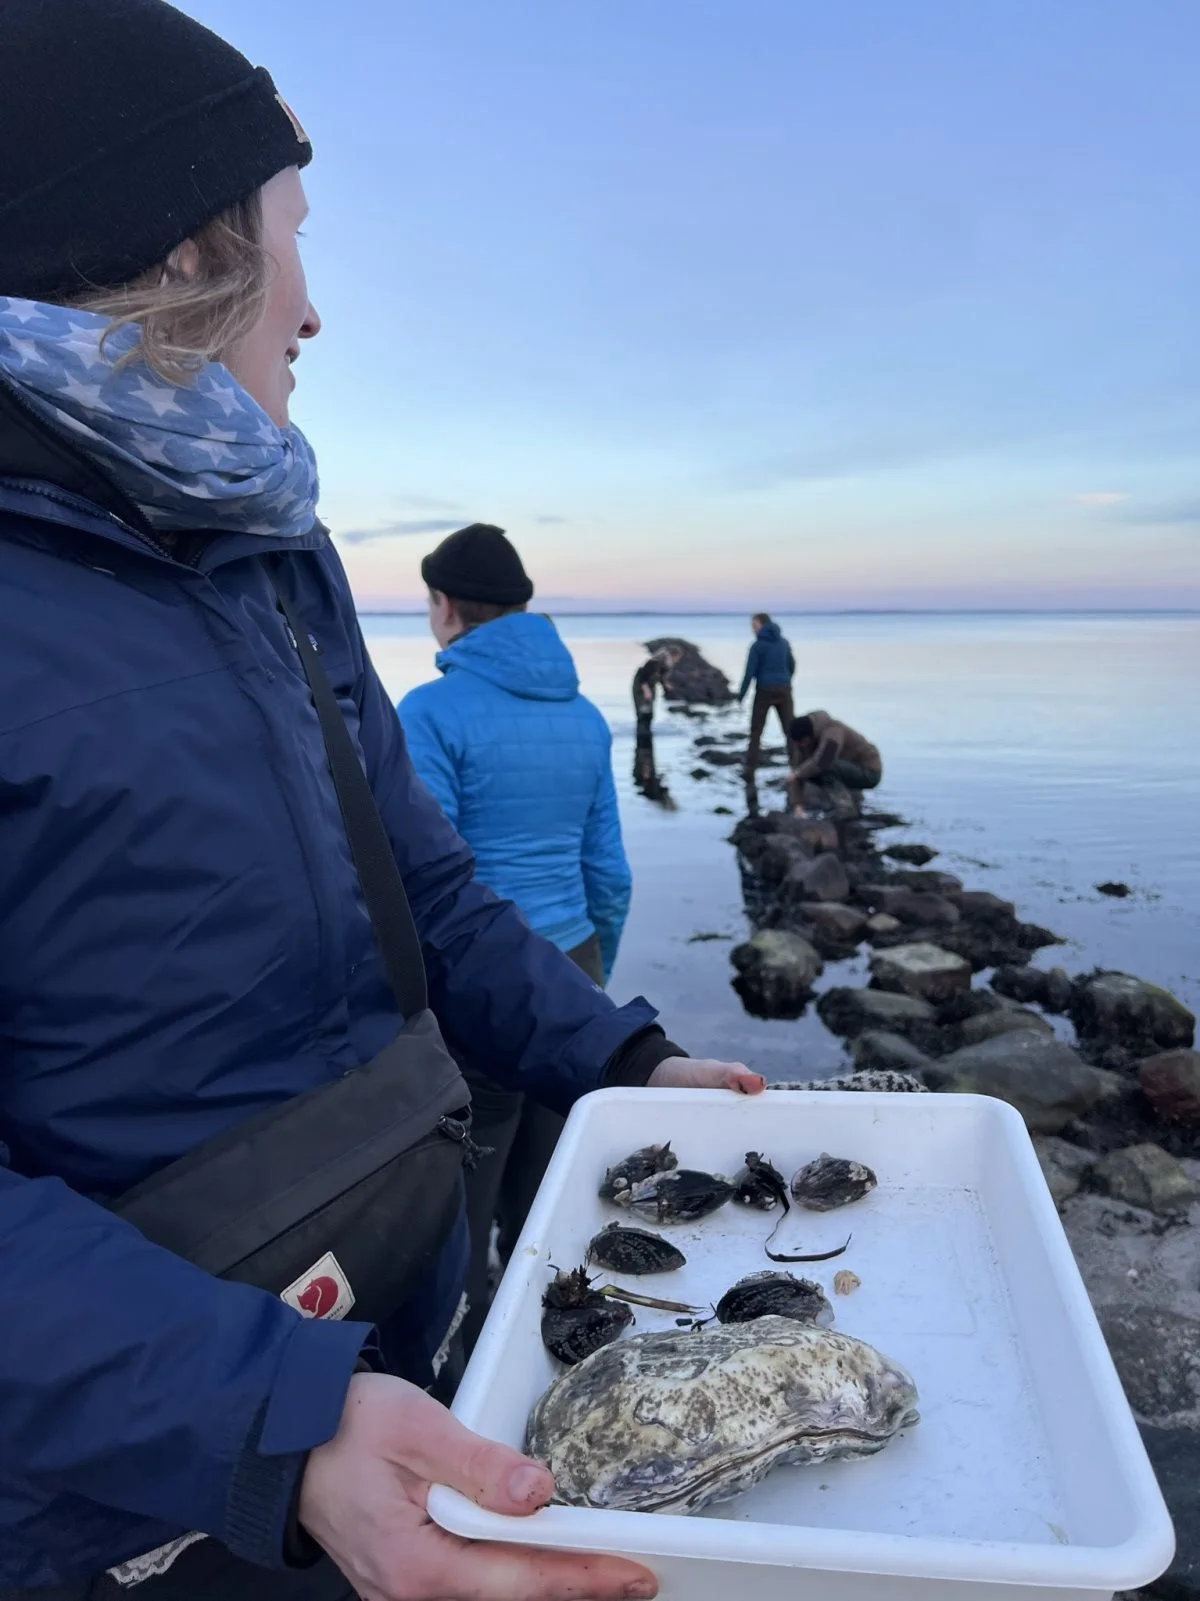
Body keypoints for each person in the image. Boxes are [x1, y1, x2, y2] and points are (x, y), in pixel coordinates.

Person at [0, 5, 766, 1599]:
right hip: (120, 1491)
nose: (318, 308)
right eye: (290, 239)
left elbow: (425, 891)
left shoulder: (271, 549)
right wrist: (269, 1421)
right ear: (179, 252)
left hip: (386, 1365)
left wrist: (625, 1057)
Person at [397, 523, 633, 1356]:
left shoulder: (426, 713)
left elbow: (425, 876)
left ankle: (456, 1368)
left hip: (481, 981)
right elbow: (608, 868)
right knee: (550, 1184)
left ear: (448, 608)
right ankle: (554, 1349)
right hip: (574, 965)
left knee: (460, 1188)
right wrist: (592, 978)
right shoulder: (585, 716)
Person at [737, 613, 796, 769]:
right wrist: (786, 680)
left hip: (765, 690)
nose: (752, 630)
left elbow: (749, 673)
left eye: (754, 626)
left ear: (762, 625)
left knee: (756, 731)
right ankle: (796, 765)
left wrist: (741, 696)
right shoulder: (784, 643)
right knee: (789, 730)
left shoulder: (757, 646)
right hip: (784, 689)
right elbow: (792, 665)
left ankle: (750, 769)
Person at [788, 710, 884, 802]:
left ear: (809, 737)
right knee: (807, 771)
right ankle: (850, 797)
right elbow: (796, 769)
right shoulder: (802, 741)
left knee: (824, 767)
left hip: (869, 771)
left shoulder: (833, 733)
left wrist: (798, 773)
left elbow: (823, 762)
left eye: (802, 742)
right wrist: (797, 803)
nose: (801, 746)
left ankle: (846, 807)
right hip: (847, 766)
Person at [632, 643, 681, 731]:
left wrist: (666, 684)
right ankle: (641, 732)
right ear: (673, 655)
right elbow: (643, 678)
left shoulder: (666, 664)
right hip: (641, 686)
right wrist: (646, 691)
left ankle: (648, 731)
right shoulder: (654, 662)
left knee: (649, 710)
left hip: (650, 685)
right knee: (643, 710)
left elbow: (660, 676)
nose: (677, 660)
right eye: (677, 657)